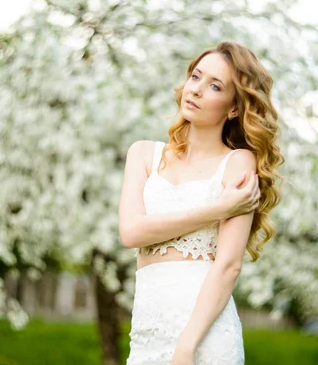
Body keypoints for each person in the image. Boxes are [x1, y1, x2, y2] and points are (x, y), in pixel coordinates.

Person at [119, 41, 283, 365]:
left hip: (204, 337)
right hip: (146, 332)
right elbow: (131, 233)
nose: (196, 90)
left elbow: (228, 266)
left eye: (215, 86)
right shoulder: (143, 154)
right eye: (196, 77)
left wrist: (187, 346)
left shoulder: (238, 163)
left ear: (233, 108)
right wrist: (217, 209)